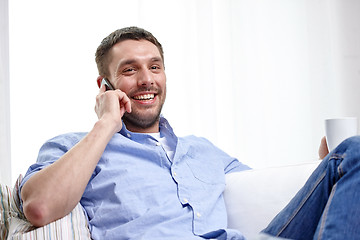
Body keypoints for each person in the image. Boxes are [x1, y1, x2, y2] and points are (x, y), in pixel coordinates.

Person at [19, 26, 360, 240]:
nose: (146, 79)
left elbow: (279, 204)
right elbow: (39, 206)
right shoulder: (75, 146)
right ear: (104, 85)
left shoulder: (202, 151)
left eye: (154, 67)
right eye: (129, 70)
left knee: (351, 153)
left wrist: (324, 175)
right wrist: (106, 123)